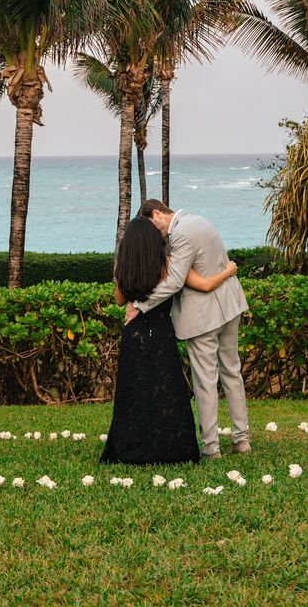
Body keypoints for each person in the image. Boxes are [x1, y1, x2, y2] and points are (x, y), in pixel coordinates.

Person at [100, 216, 238, 466]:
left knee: (135, 394)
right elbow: (202, 285)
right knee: (167, 392)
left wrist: (124, 277)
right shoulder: (166, 265)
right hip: (161, 334)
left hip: (135, 336)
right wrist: (229, 270)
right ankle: (173, 448)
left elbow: (120, 300)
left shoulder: (125, 267)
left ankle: (132, 448)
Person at [127, 200, 250, 460]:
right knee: (231, 372)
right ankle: (241, 438)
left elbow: (174, 282)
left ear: (158, 214)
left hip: (204, 317)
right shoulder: (200, 220)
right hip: (230, 306)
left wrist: (140, 305)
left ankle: (211, 447)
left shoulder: (181, 233)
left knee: (205, 381)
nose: (153, 234)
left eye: (152, 226)